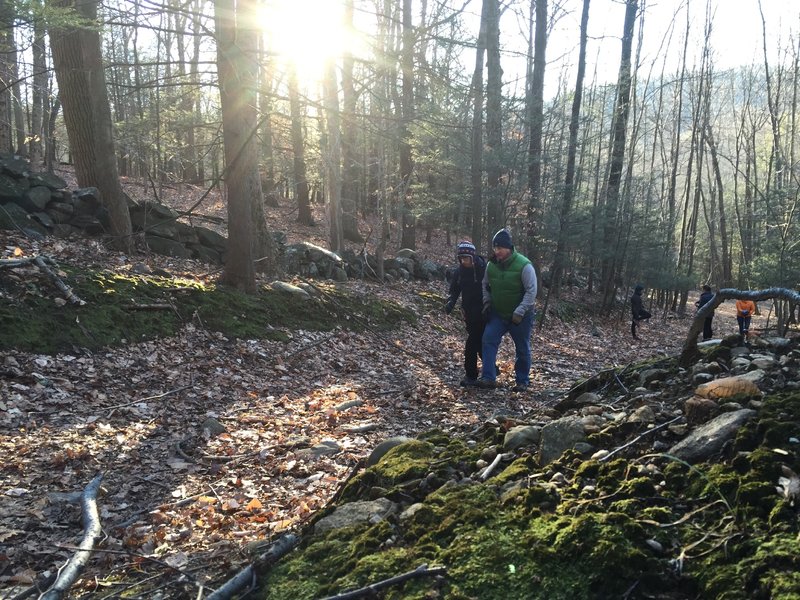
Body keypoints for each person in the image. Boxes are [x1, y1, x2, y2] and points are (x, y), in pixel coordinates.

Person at [477, 229, 537, 392]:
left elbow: (532, 291)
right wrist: (487, 302)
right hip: (498, 312)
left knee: (522, 347)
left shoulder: (525, 265)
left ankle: (522, 381)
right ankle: (488, 378)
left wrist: (520, 311)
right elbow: (485, 285)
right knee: (488, 340)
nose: (496, 252)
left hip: (521, 315)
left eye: (500, 248)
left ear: (509, 248)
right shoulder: (491, 265)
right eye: (494, 248)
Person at [445, 241, 487, 386]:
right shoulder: (459, 272)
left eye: (466, 258)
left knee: (472, 344)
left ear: (473, 257)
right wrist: (451, 302)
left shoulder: (484, 269)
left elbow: (494, 287)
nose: (464, 261)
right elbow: (455, 290)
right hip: (469, 313)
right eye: (461, 258)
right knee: (479, 343)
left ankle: (471, 376)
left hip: (484, 312)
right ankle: (491, 369)